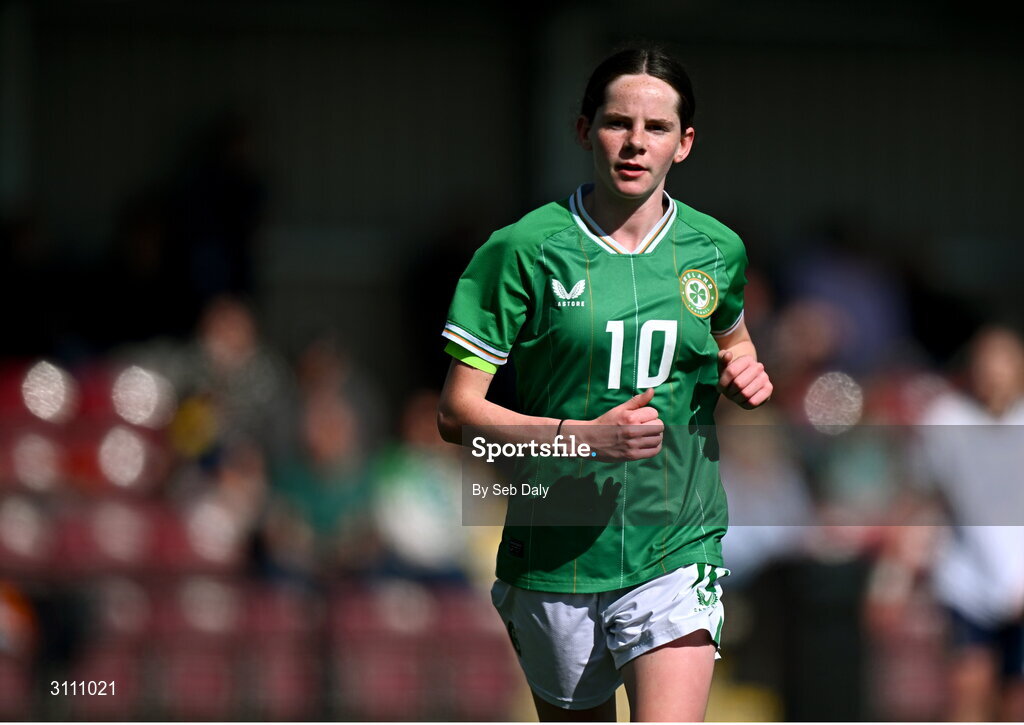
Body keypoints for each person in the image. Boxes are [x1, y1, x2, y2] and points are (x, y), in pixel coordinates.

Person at [436, 46, 772, 721]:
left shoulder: (717, 250)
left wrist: (745, 371)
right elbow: (456, 411)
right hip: (557, 548)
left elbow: (734, 341)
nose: (635, 143)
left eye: (656, 128)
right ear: (584, 129)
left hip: (677, 541)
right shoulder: (523, 249)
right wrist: (581, 438)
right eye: (618, 123)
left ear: (685, 143)